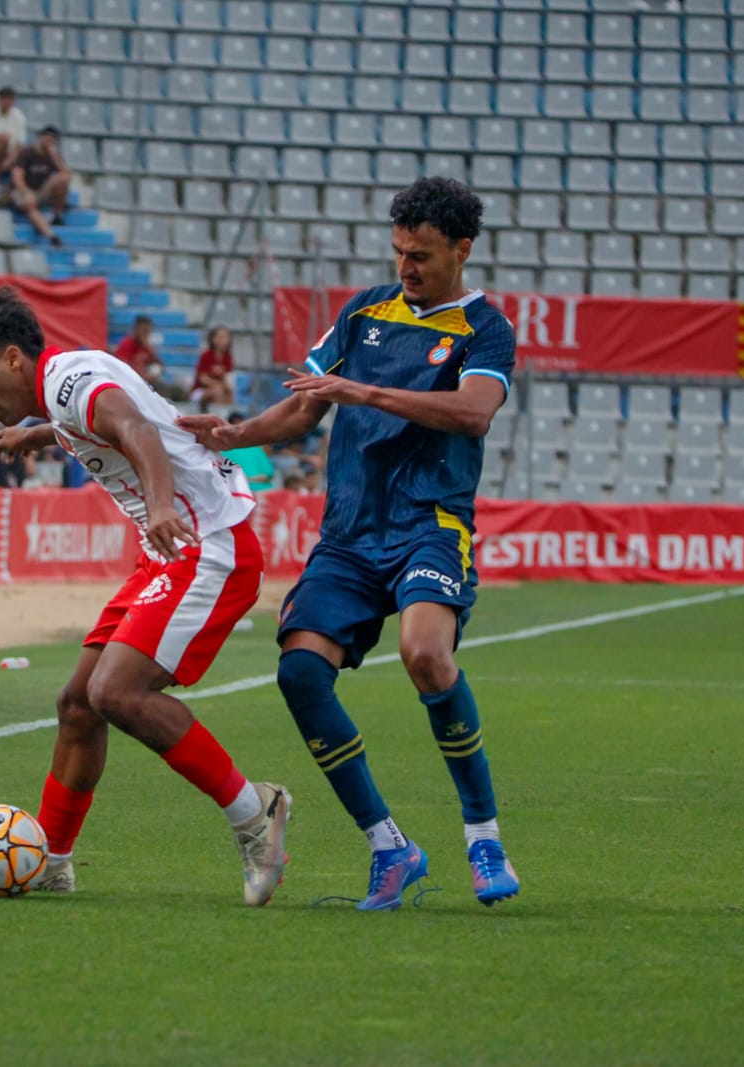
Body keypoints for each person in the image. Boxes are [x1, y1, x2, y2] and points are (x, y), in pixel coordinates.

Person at [177, 176, 521, 911]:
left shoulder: (486, 329)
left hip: (431, 522)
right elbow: (306, 403)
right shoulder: (366, 310)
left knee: (426, 653)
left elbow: (472, 412)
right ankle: (389, 846)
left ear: (462, 249)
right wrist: (240, 433)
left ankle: (483, 834)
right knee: (300, 672)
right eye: (399, 251)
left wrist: (364, 393)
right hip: (350, 534)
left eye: (422, 255)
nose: (407, 267)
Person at [0, 286, 290, 903]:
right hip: (171, 550)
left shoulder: (71, 382)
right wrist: (37, 437)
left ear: (12, 359)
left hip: (208, 543)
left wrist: (159, 506)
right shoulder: (65, 387)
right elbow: (99, 422)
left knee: (115, 693)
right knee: (79, 703)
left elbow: (137, 430)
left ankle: (254, 812)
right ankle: (49, 860)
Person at [10, 126, 71, 247]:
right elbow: (17, 175)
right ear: (40, 137)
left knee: (61, 181)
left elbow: (67, 176)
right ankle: (51, 235)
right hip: (22, 190)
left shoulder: (53, 155)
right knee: (30, 203)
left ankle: (57, 215)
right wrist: (25, 191)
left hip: (40, 191)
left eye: (52, 139)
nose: (49, 141)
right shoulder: (27, 152)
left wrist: (55, 158)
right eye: (47, 137)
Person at [193, 325, 235, 404]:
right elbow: (202, 379)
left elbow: (228, 378)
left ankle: (226, 413)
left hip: (220, 389)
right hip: (201, 391)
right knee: (218, 391)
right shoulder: (206, 355)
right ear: (213, 339)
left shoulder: (228, 357)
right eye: (220, 337)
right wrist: (217, 384)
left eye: (226, 337)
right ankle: (218, 414)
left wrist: (226, 387)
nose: (223, 340)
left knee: (229, 393)